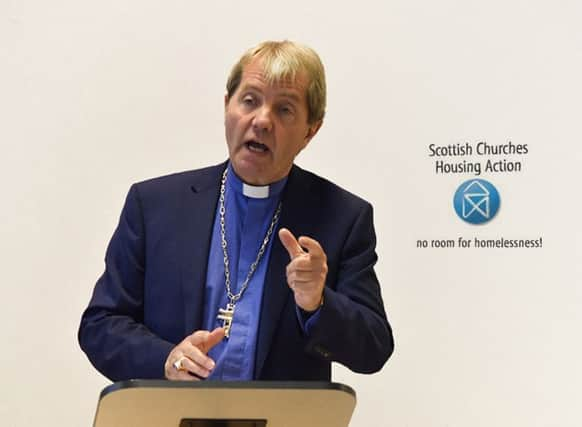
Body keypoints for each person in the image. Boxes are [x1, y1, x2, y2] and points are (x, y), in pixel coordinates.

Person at [79, 40, 393, 382]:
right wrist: (165, 360)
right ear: (228, 105)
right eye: (250, 101)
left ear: (310, 131)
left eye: (284, 109)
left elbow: (374, 347)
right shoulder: (154, 206)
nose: (262, 121)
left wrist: (318, 302)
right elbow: (100, 325)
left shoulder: (342, 217)